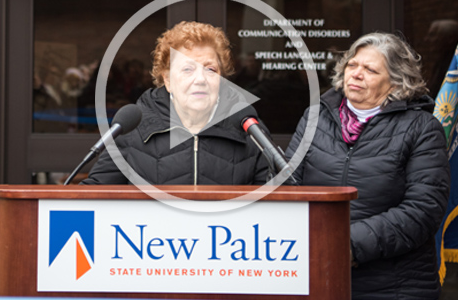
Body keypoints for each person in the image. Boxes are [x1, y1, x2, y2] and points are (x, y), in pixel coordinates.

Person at [285, 32, 450, 299]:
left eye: (370, 70)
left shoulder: (422, 128)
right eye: (352, 65)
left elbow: (423, 209)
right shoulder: (314, 116)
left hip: (395, 285)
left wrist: (346, 243)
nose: (356, 74)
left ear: (396, 82)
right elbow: (289, 186)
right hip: (318, 274)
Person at [81, 21, 269, 185]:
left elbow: (277, 203)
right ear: (168, 80)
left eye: (210, 69)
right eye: (188, 69)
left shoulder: (249, 129)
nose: (200, 79)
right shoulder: (133, 131)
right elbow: (95, 195)